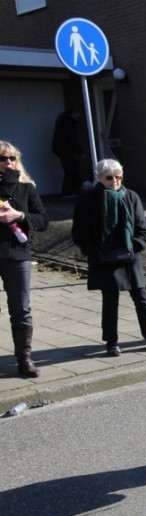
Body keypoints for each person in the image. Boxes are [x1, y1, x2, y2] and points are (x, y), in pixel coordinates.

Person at [72, 159, 146, 357]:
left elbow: (141, 228)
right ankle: (111, 342)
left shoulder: (131, 196)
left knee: (141, 297)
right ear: (99, 178)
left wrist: (135, 246)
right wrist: (95, 251)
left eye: (118, 176)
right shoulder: (88, 199)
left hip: (130, 257)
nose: (115, 181)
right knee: (110, 301)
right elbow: (79, 232)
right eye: (109, 177)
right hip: (104, 258)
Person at [0, 140, 49, 378]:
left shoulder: (26, 188)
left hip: (16, 255)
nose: (8, 163)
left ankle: (24, 359)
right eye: (2, 159)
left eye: (11, 159)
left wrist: (18, 215)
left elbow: (43, 221)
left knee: (20, 308)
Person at [51, 109, 84, 198]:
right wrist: (80, 152)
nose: (78, 116)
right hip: (65, 150)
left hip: (62, 150)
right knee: (71, 171)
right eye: (77, 114)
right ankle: (67, 193)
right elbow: (72, 139)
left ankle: (68, 192)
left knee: (69, 170)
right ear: (73, 114)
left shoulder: (63, 123)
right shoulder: (69, 124)